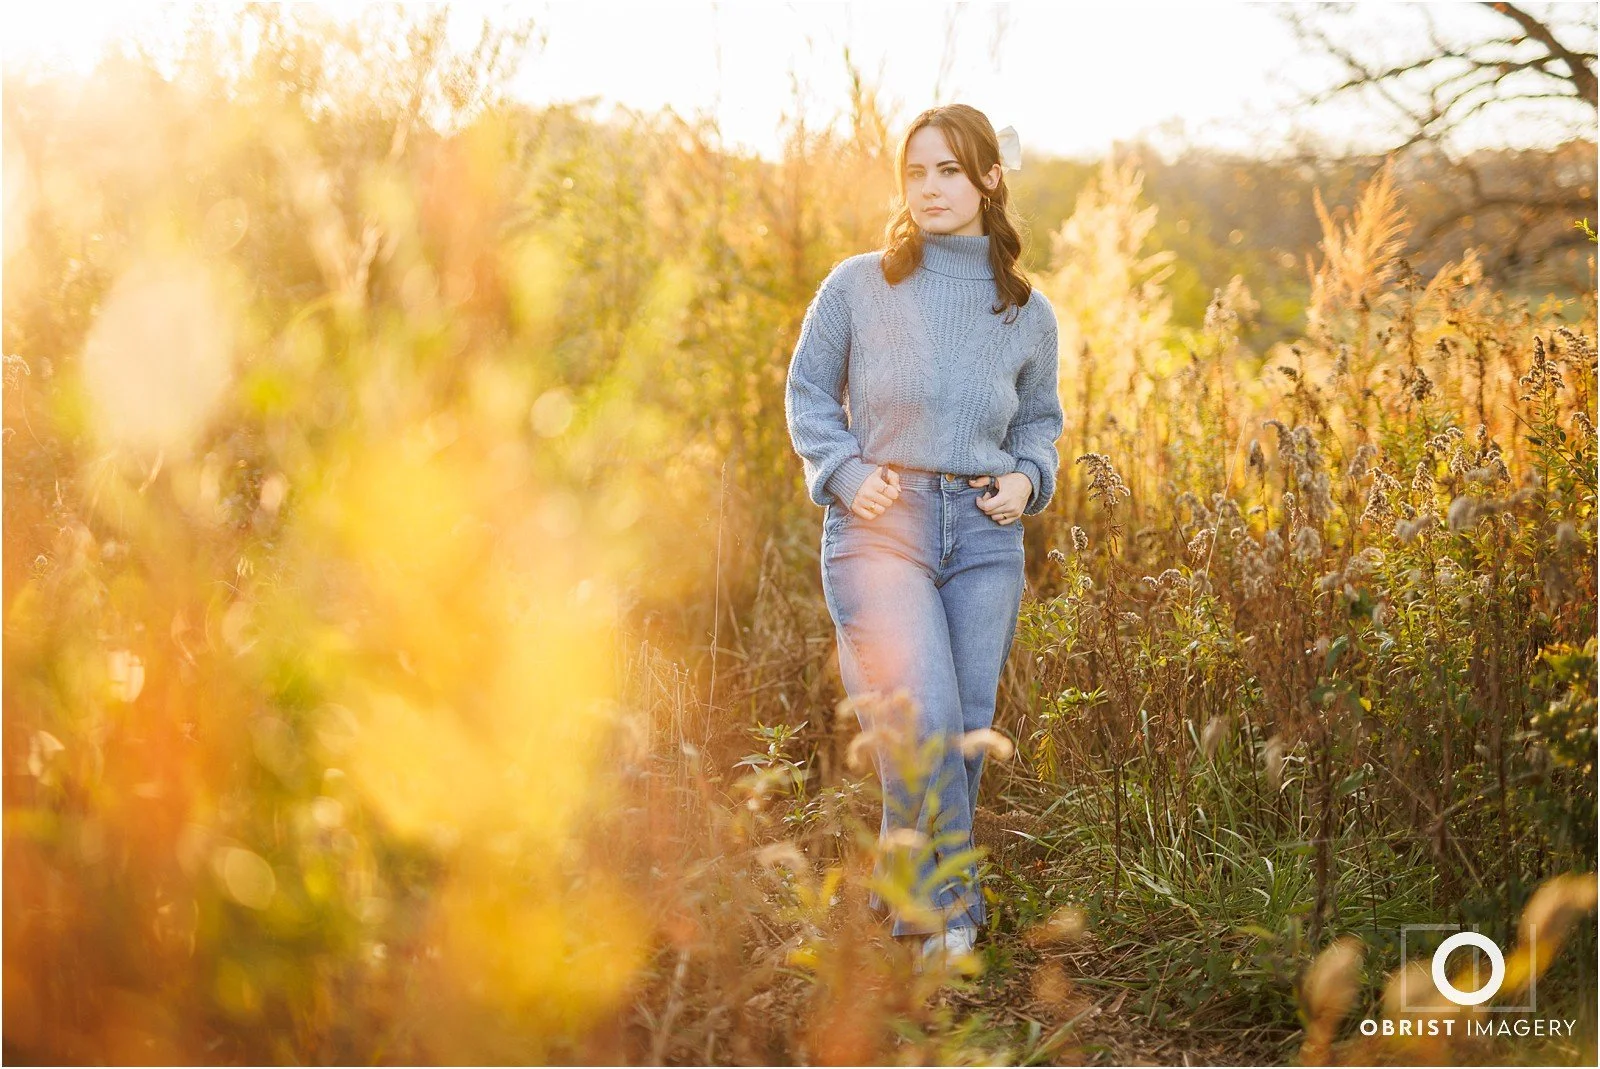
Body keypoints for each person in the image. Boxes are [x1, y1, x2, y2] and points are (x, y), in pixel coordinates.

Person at [783, 104, 1065, 965]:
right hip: (882, 527)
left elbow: (1042, 425)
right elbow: (805, 393)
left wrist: (1028, 477)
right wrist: (843, 469)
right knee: (924, 717)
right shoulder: (861, 285)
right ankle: (947, 918)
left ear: (988, 180)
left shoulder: (1025, 310)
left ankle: (909, 896)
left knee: (967, 725)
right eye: (916, 171)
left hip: (984, 535)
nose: (930, 187)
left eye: (949, 170)